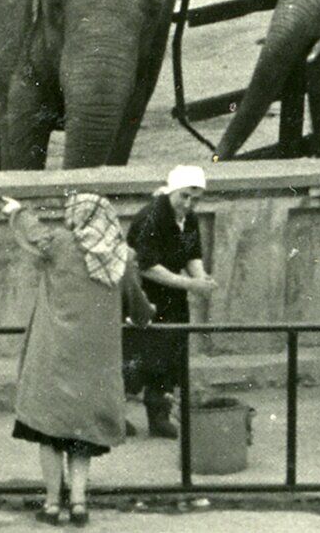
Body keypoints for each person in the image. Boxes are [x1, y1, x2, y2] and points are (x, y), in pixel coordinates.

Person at [2, 192, 155, 526]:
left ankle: (53, 504)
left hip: (53, 357)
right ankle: (81, 503)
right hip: (95, 363)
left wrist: (16, 210)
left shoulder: (60, 245)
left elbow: (34, 232)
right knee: (83, 433)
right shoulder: (121, 257)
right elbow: (138, 306)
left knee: (49, 431)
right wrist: (145, 314)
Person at [122, 165, 218, 438]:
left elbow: (192, 254)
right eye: (184, 196)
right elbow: (146, 266)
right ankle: (115, 415)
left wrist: (202, 277)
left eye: (195, 199)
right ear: (171, 191)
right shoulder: (151, 217)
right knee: (134, 358)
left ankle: (159, 416)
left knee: (170, 356)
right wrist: (190, 283)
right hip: (142, 296)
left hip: (173, 298)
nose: (189, 204)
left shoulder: (190, 219)